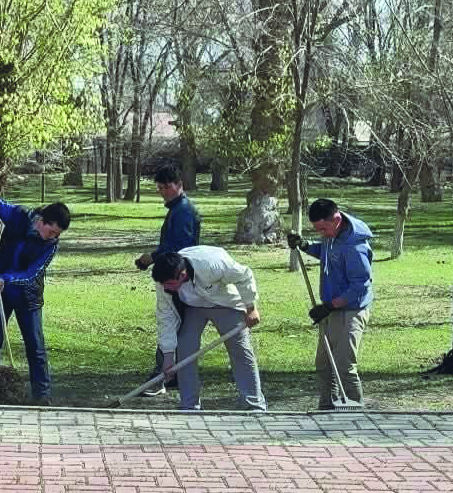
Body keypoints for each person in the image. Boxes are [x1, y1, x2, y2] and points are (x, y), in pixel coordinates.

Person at [0, 197, 71, 405]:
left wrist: (6, 279)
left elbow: (31, 273)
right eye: (52, 231)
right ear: (42, 221)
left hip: (27, 297)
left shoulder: (51, 246)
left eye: (57, 234)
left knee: (35, 345)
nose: (53, 237)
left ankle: (41, 394)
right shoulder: (19, 215)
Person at [150, 247, 266, 411]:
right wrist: (168, 356)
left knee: (240, 349)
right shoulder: (164, 280)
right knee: (185, 349)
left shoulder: (212, 264)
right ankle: (189, 406)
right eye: (163, 284)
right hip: (192, 307)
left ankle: (254, 405)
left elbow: (244, 275)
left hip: (226, 304)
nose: (165, 288)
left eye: (169, 284)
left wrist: (251, 308)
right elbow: (165, 317)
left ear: (182, 275)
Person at [287, 198, 374, 409]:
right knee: (324, 365)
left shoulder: (355, 246)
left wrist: (329, 306)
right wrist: (304, 245)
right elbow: (326, 253)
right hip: (332, 309)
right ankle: (327, 408)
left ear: (336, 219)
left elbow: (360, 286)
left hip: (351, 311)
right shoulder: (332, 234)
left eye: (323, 229)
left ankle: (355, 411)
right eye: (318, 230)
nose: (322, 234)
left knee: (344, 366)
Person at [134, 165, 201, 397]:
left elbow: (180, 247)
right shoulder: (177, 209)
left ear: (179, 185)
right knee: (174, 322)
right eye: (160, 188)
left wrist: (152, 257)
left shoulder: (183, 210)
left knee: (172, 322)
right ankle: (172, 374)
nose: (163, 192)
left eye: (167, 187)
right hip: (172, 274)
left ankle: (163, 375)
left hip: (177, 277)